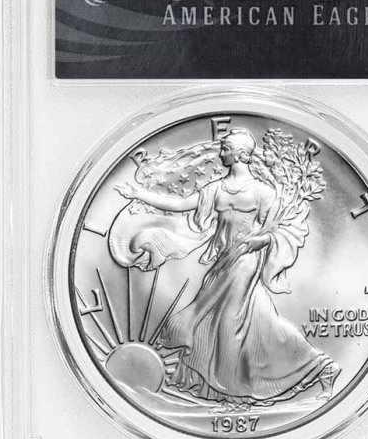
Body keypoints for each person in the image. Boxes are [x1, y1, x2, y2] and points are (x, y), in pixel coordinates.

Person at [115, 128, 340, 409]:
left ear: (241, 155)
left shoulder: (262, 192)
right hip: (223, 261)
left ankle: (235, 391)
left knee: (229, 321)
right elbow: (180, 204)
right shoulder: (216, 189)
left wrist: (260, 241)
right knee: (248, 321)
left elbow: (282, 229)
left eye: (226, 149)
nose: (221, 153)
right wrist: (139, 194)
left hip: (246, 261)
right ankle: (321, 367)